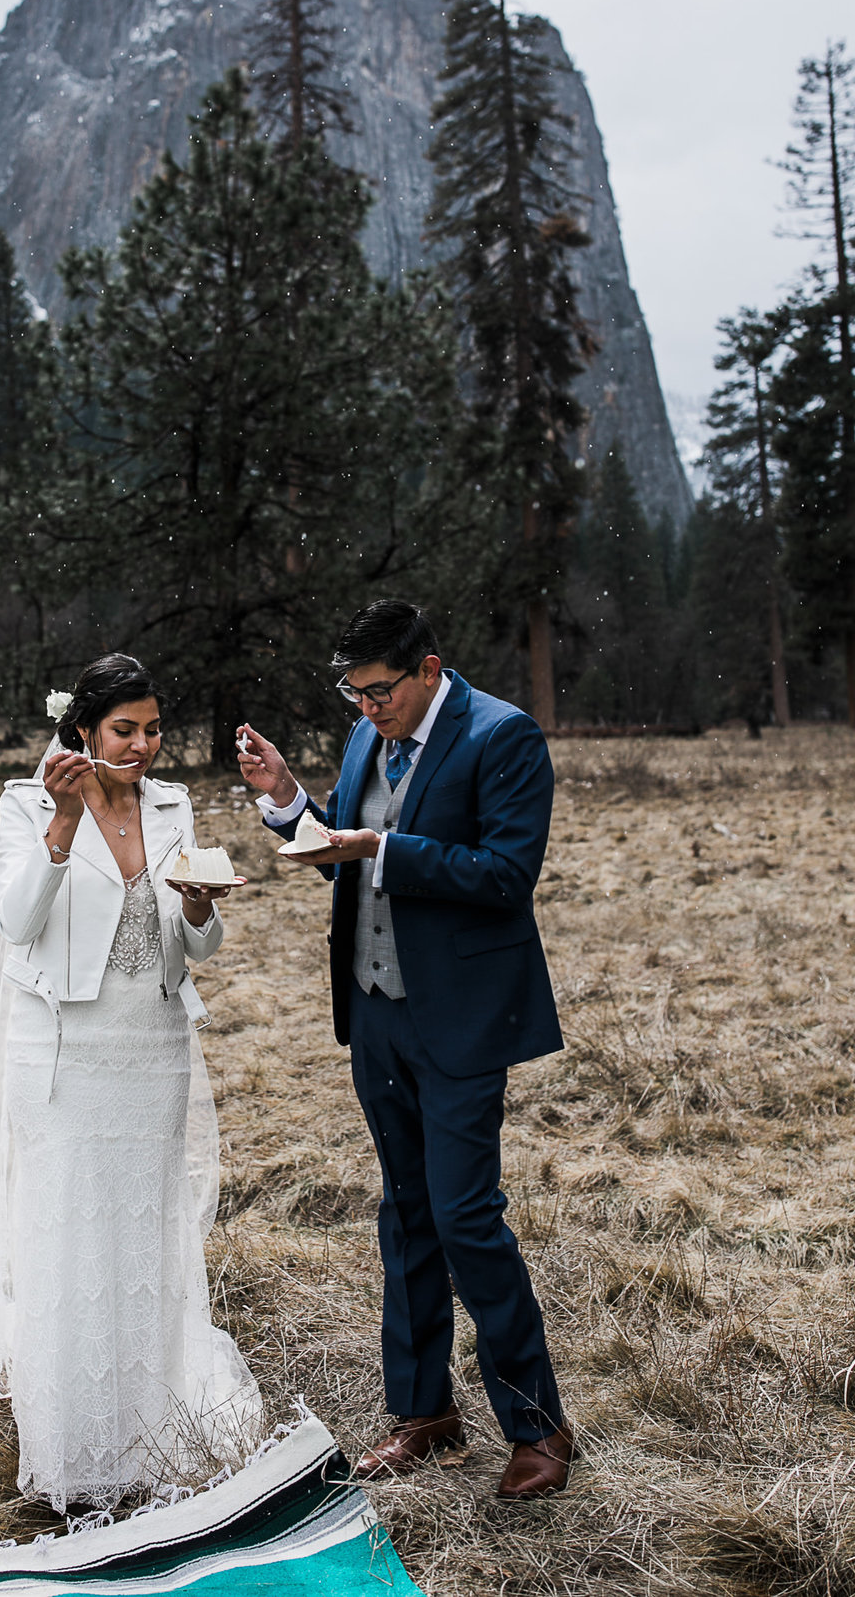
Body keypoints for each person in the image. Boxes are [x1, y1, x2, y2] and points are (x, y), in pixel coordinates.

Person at [235, 599, 574, 1499]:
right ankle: (424, 1412)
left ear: (430, 668)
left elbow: (507, 876)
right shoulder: (365, 737)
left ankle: (538, 1426)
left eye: (379, 690)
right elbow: (342, 835)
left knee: (466, 1217)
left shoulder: (504, 737)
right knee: (406, 1212)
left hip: (459, 1017)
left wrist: (386, 846)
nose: (366, 709)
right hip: (376, 1012)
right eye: (353, 693)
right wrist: (287, 801)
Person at [0, 653, 261, 1507]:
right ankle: (76, 1440)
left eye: (153, 728)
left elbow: (195, 943)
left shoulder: (173, 804)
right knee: (70, 1232)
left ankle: (153, 1424)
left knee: (147, 1228)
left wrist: (201, 908)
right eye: (124, 729)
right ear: (83, 728)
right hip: (63, 1050)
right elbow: (18, 921)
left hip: (154, 1044)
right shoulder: (26, 802)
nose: (142, 746)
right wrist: (61, 822)